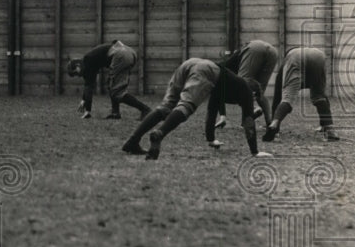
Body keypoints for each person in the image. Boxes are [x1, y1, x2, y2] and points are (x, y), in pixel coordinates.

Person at [121, 57, 270, 160]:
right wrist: (255, 151)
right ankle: (160, 133)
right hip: (207, 69)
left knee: (166, 107)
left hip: (190, 63)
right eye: (255, 97)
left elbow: (211, 112)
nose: (254, 100)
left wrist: (211, 140)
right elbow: (249, 122)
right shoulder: (247, 92)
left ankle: (132, 141)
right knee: (186, 106)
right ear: (254, 92)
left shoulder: (224, 86)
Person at [263, 47, 340, 142]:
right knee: (319, 96)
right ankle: (330, 130)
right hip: (318, 55)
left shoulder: (287, 62)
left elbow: (277, 98)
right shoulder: (307, 53)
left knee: (288, 98)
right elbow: (324, 97)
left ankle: (274, 125)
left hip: (296, 58)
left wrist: (274, 120)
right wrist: (324, 123)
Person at [67, 40, 150, 119]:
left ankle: (145, 109)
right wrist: (83, 100)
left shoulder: (87, 62)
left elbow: (89, 86)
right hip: (129, 51)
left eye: (75, 73)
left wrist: (87, 110)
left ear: (78, 66)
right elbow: (88, 84)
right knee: (113, 86)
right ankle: (115, 113)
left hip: (120, 55)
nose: (77, 75)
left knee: (117, 92)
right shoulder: (88, 59)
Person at [215, 39, 279, 128]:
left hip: (254, 48)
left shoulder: (217, 72)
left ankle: (253, 110)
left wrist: (223, 117)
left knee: (242, 86)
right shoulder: (222, 68)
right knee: (259, 92)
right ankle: (270, 124)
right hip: (273, 52)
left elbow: (218, 94)